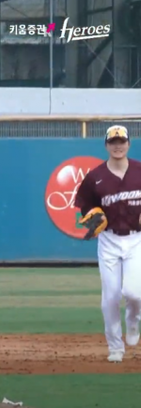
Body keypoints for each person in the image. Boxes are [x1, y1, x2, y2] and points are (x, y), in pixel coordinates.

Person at [74, 125, 141, 363]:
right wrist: (91, 215)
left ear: (129, 144)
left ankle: (133, 321)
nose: (118, 146)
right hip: (109, 240)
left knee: (134, 293)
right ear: (106, 145)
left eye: (122, 141)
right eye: (113, 142)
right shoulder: (96, 177)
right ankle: (115, 347)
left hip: (136, 239)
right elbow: (84, 206)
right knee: (111, 297)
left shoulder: (139, 170)